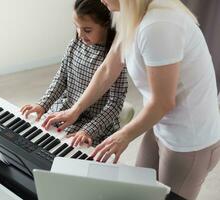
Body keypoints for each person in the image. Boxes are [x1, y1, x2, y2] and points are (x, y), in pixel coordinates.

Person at [41, 0, 220, 199]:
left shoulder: (158, 25)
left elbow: (163, 102)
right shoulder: (128, 13)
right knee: (138, 194)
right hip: (160, 123)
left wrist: (122, 135)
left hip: (189, 139)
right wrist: (75, 110)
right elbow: (109, 68)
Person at [21, 0, 128, 147]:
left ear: (106, 24)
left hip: (93, 122)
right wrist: (43, 104)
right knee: (35, 136)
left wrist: (89, 130)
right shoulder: (75, 45)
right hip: (68, 109)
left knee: (63, 147)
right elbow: (61, 79)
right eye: (77, 27)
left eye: (87, 30)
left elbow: (114, 105)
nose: (80, 34)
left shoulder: (116, 58)